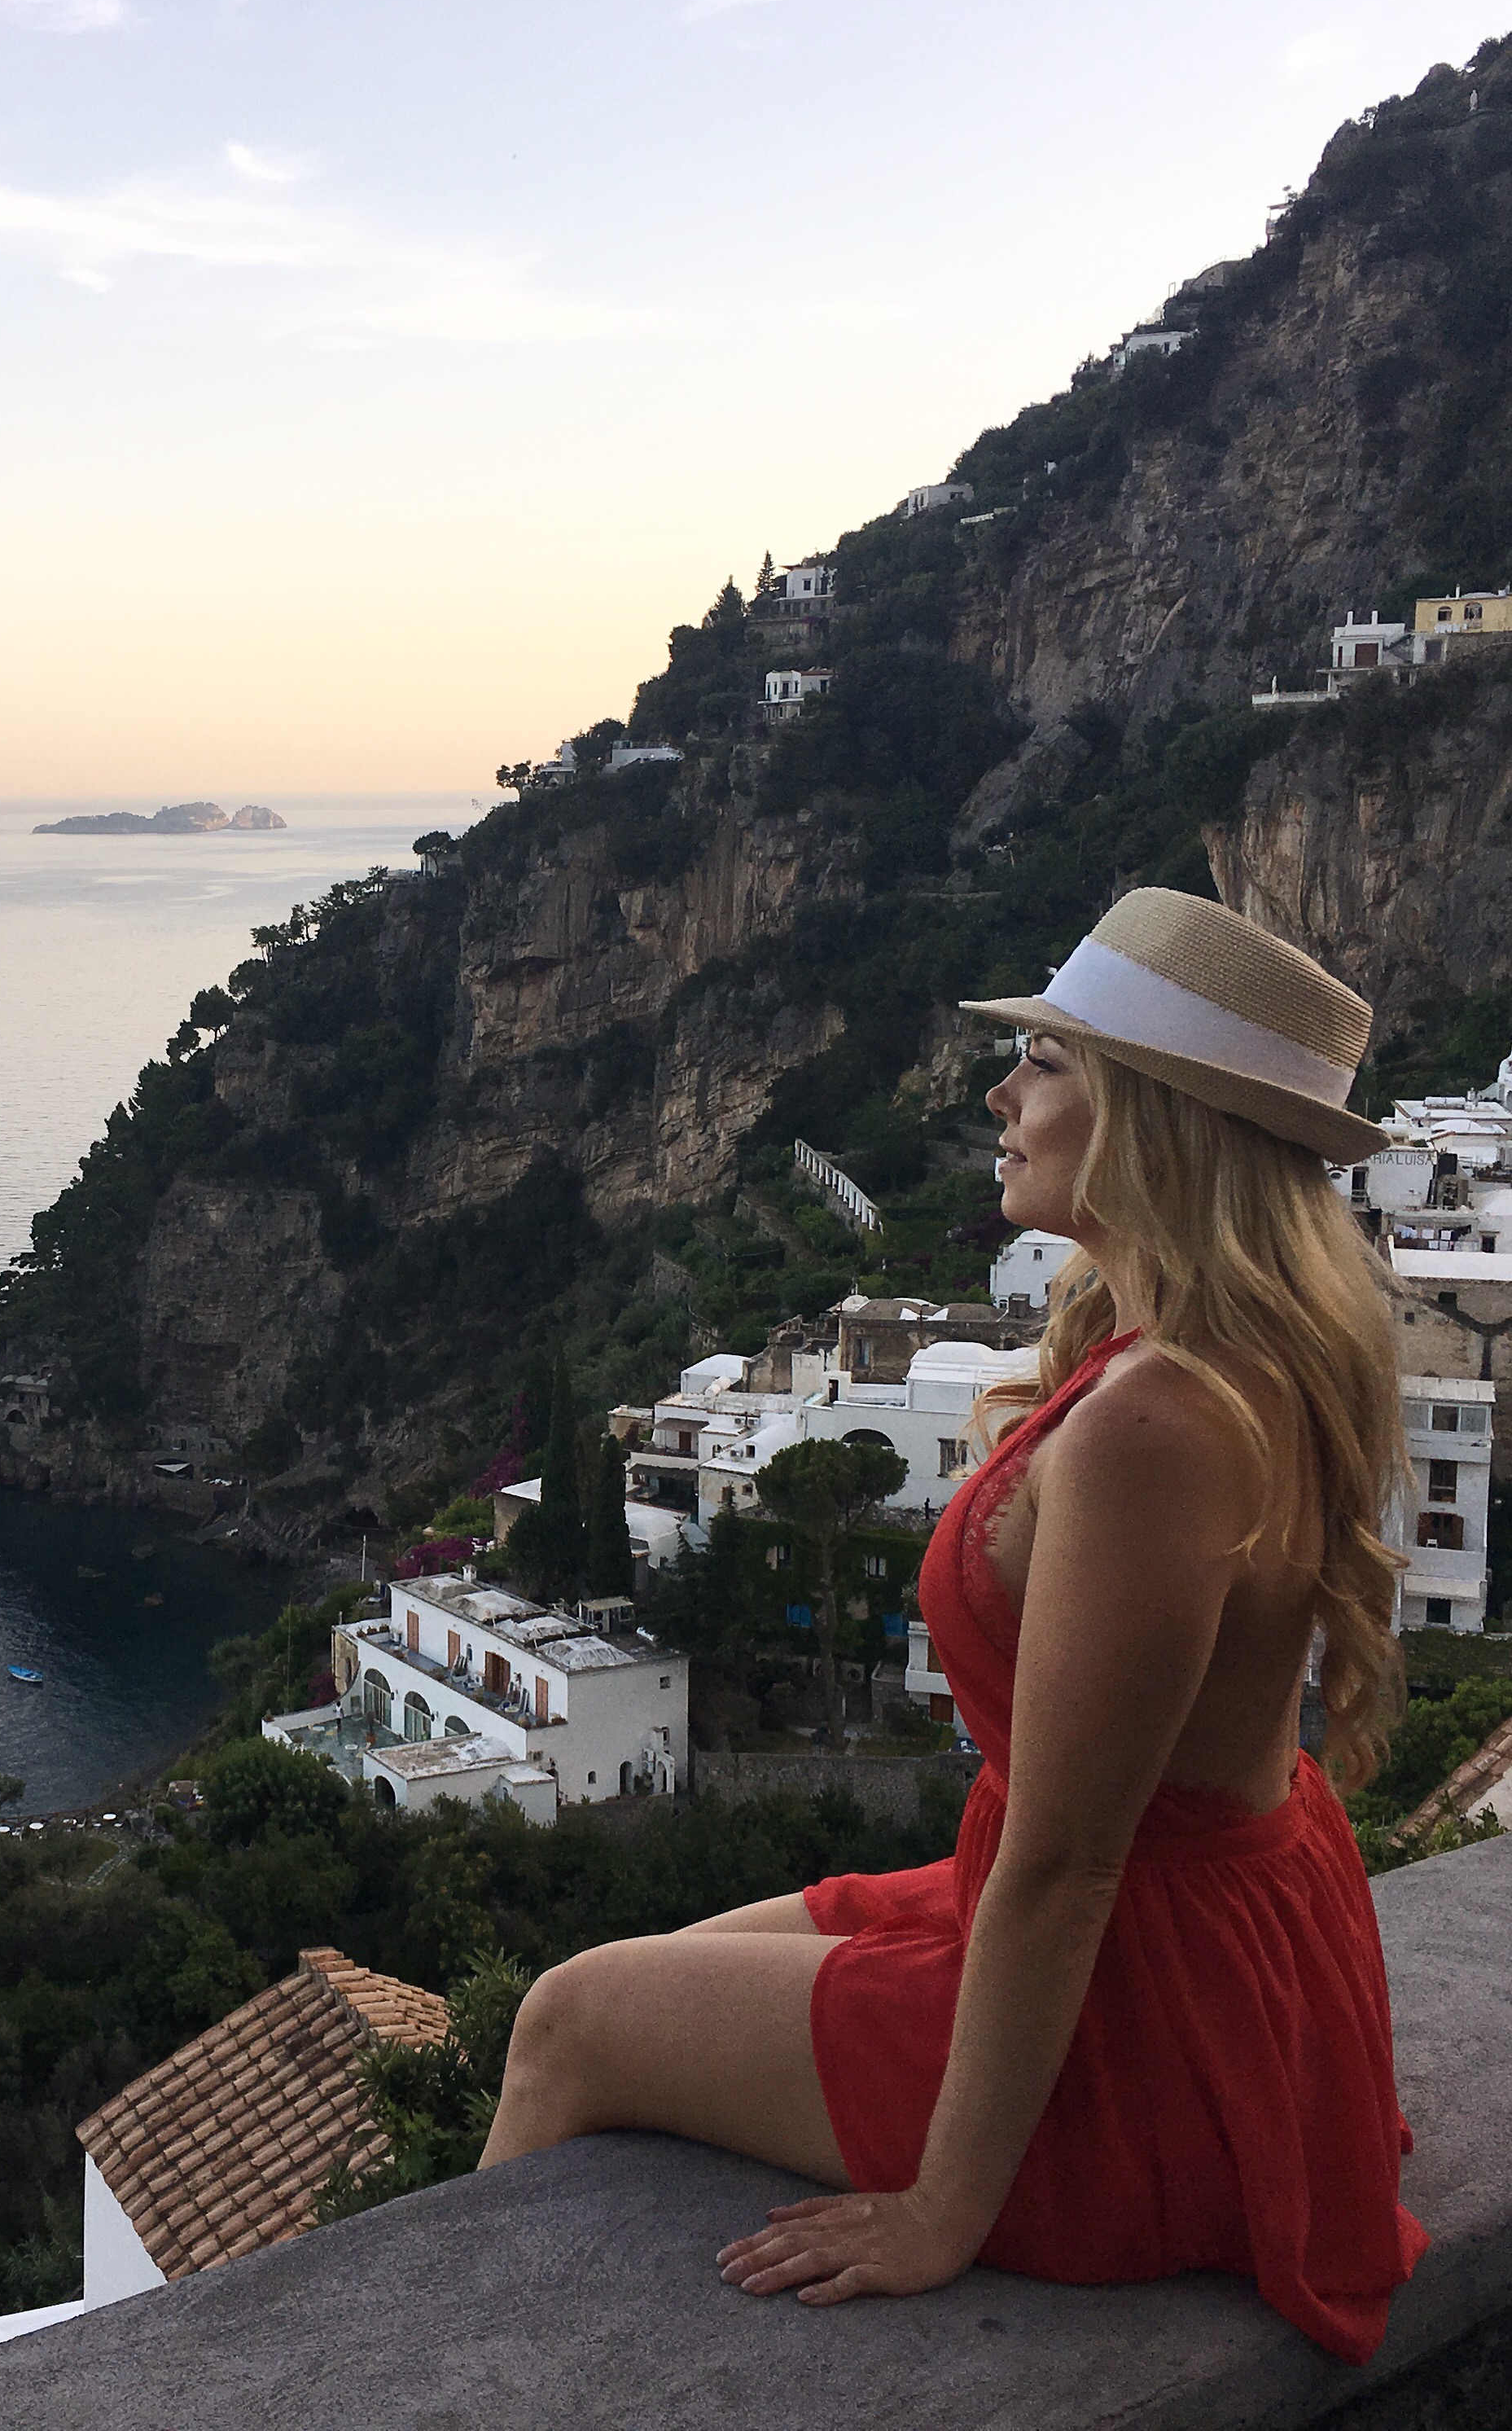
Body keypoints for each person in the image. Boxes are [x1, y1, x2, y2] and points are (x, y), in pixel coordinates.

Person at [477, 888, 1427, 2363]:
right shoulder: (1211, 1355)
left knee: (567, 2020)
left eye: (1044, 1060)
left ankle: (472, 2373)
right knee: (674, 1955)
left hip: (1131, 2015)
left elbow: (1070, 1859)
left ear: (1153, 1118)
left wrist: (942, 2210)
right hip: (1191, 1931)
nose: (999, 1095)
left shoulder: (1157, 1425)